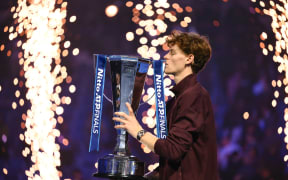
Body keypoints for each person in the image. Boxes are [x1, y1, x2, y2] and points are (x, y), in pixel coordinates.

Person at [113, 31, 218, 180]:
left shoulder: (194, 96)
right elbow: (174, 161)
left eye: (172, 53)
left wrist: (138, 131)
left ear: (189, 58)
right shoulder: (178, 99)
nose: (166, 56)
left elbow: (173, 149)